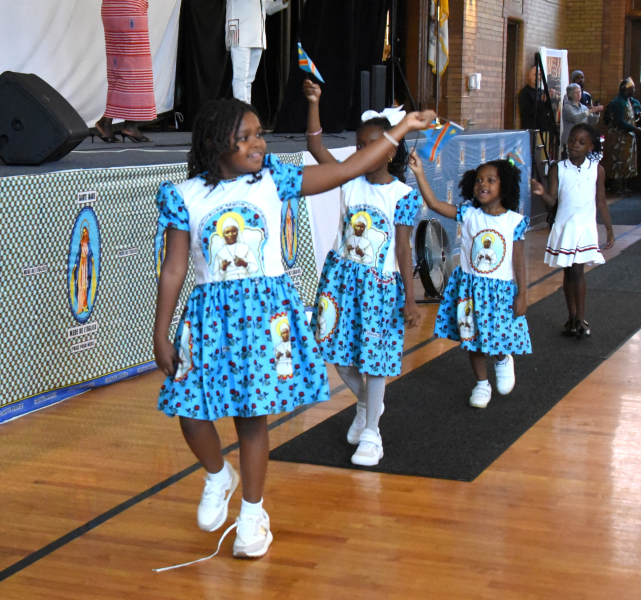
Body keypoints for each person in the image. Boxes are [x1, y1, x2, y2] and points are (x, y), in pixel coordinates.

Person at [153, 97, 435, 559]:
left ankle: (252, 514)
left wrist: (402, 127)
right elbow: (173, 269)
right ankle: (217, 475)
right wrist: (161, 332)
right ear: (212, 143)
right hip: (208, 322)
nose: (257, 143)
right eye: (244, 137)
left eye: (259, 133)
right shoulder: (184, 197)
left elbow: (348, 168)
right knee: (191, 413)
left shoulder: (273, 181)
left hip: (263, 318)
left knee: (251, 419)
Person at [302, 79, 422, 466]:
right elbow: (315, 147)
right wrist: (315, 102)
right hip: (341, 281)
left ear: (390, 151)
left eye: (373, 146)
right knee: (335, 352)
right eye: (359, 147)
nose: (364, 153)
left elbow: (402, 247)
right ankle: (368, 407)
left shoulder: (402, 195)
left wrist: (410, 296)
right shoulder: (349, 181)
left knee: (374, 361)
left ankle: (373, 432)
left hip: (380, 286)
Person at [408, 155, 530, 409]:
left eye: (491, 180)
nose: (482, 184)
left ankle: (502, 358)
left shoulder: (514, 222)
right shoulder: (469, 214)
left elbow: (518, 260)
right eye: (478, 180)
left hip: (500, 292)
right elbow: (433, 203)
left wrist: (523, 294)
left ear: (504, 186)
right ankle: (481, 383)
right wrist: (419, 172)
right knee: (472, 338)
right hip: (471, 291)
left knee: (496, 337)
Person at [531, 123, 614, 338]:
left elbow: (601, 201)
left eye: (581, 142)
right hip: (565, 226)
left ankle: (580, 318)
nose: (575, 145)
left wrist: (609, 229)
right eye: (572, 140)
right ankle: (572, 316)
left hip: (584, 228)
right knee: (568, 271)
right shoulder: (558, 168)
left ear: (590, 147)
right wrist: (541, 192)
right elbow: (552, 201)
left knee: (577, 271)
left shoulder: (597, 170)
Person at [95, 0, 157, 143]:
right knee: (134, 67)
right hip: (129, 9)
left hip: (115, 8)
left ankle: (110, 122)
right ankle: (127, 125)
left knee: (123, 68)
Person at [226, 0, 289, 104]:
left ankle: (246, 111)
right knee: (240, 78)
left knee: (249, 80)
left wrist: (282, 1)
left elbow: (268, 8)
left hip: (257, 35)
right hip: (240, 30)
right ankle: (242, 114)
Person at [604, 78, 641, 195]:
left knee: (626, 162)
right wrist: (634, 128)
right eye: (632, 88)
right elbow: (619, 121)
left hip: (626, 137)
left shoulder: (626, 101)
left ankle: (623, 186)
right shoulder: (618, 102)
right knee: (618, 161)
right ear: (626, 89)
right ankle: (616, 187)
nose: (634, 90)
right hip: (618, 137)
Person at [561, 83, 602, 153]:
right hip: (570, 139)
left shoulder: (584, 107)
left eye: (579, 92)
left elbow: (591, 122)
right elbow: (575, 118)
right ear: (570, 94)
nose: (578, 94)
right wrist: (590, 111)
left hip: (582, 139)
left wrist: (596, 113)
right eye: (576, 93)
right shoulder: (567, 107)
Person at [518, 66, 551, 130]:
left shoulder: (542, 92)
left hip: (543, 129)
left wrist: (550, 99)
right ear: (529, 77)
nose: (538, 77)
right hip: (531, 129)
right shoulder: (524, 93)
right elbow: (527, 111)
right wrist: (541, 101)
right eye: (535, 75)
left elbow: (547, 110)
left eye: (539, 75)